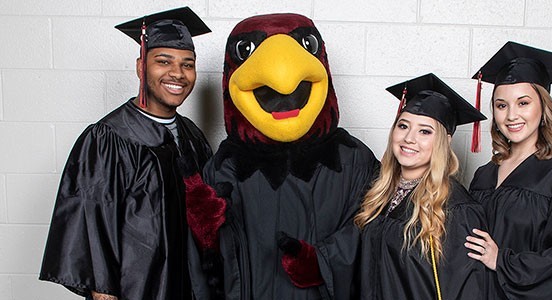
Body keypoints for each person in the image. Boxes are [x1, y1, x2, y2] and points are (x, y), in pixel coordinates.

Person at [39, 7, 223, 300]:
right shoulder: (108, 139)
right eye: (163, 61)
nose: (177, 73)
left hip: (191, 288)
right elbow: (92, 231)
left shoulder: (192, 136)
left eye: (188, 65)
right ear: (141, 67)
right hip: (139, 290)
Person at [194, 13, 379, 300]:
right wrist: (207, 233)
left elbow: (374, 227)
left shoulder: (353, 159)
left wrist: (324, 262)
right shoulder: (225, 167)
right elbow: (211, 262)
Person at [464, 41, 552, 299]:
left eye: (523, 103)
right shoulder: (484, 175)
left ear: (543, 106)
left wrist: (502, 260)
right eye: (501, 105)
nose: (511, 115)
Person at [355, 73, 488, 300]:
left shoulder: (456, 208)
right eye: (403, 126)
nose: (409, 138)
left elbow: (466, 291)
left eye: (425, 131)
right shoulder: (380, 194)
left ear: (444, 142)